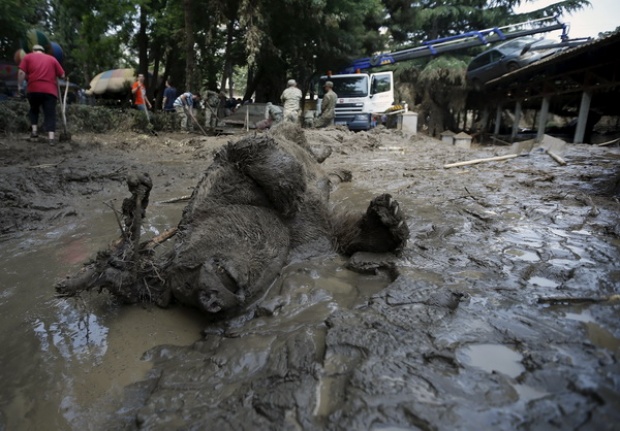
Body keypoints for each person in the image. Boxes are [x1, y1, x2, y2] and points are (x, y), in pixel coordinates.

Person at [17, 44, 65, 146]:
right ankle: (51, 138)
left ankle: (34, 132)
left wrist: (20, 87)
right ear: (43, 51)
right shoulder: (52, 59)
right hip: (50, 91)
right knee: (50, 113)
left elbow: (21, 73)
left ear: (33, 50)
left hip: (33, 89)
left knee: (34, 109)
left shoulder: (28, 57)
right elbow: (62, 75)